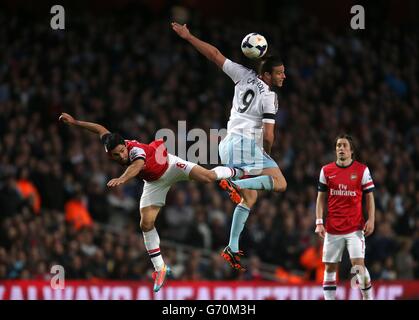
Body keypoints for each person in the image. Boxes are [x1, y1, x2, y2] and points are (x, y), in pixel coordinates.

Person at [58, 112, 242, 292]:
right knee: (145, 224)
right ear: (109, 153)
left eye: (122, 151)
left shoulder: (135, 151)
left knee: (208, 177)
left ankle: (236, 171)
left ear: (125, 145)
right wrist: (75, 123)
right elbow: (99, 129)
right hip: (154, 182)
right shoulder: (111, 143)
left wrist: (122, 178)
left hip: (170, 166)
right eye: (116, 155)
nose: (121, 156)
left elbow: (137, 165)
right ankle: (160, 268)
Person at [172, 22, 287, 271]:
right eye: (279, 73)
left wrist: (189, 36)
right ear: (267, 75)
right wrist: (266, 151)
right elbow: (269, 134)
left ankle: (232, 247)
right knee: (280, 183)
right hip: (246, 145)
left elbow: (214, 55)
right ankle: (237, 180)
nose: (283, 76)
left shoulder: (242, 75)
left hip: (227, 144)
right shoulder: (269, 97)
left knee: (250, 198)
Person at [315, 134, 375, 300]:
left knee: (358, 266)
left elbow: (369, 196)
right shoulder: (326, 171)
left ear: (351, 151)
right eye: (338, 146)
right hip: (332, 228)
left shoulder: (362, 170)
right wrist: (319, 222)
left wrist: (371, 219)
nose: (341, 148)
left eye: (344, 146)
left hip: (354, 228)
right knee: (330, 268)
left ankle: (368, 297)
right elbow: (320, 198)